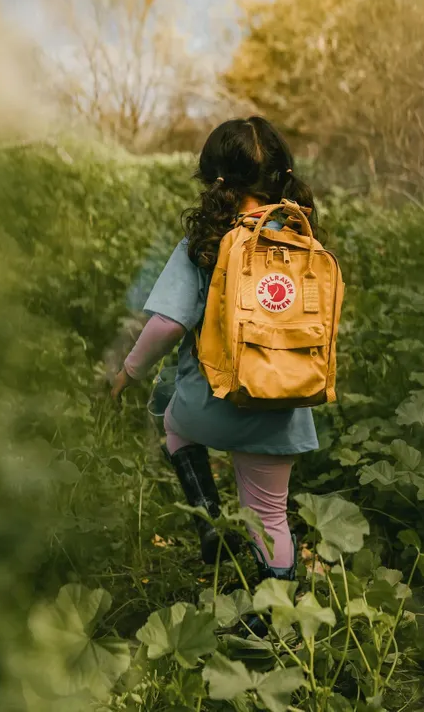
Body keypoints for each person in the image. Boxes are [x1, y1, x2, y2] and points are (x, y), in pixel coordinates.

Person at [111, 116, 320, 595]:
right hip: (284, 405)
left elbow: (167, 325)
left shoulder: (204, 244)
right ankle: (274, 619)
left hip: (212, 404)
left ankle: (207, 519)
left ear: (213, 180)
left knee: (171, 420)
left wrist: (128, 371)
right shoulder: (304, 242)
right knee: (269, 516)